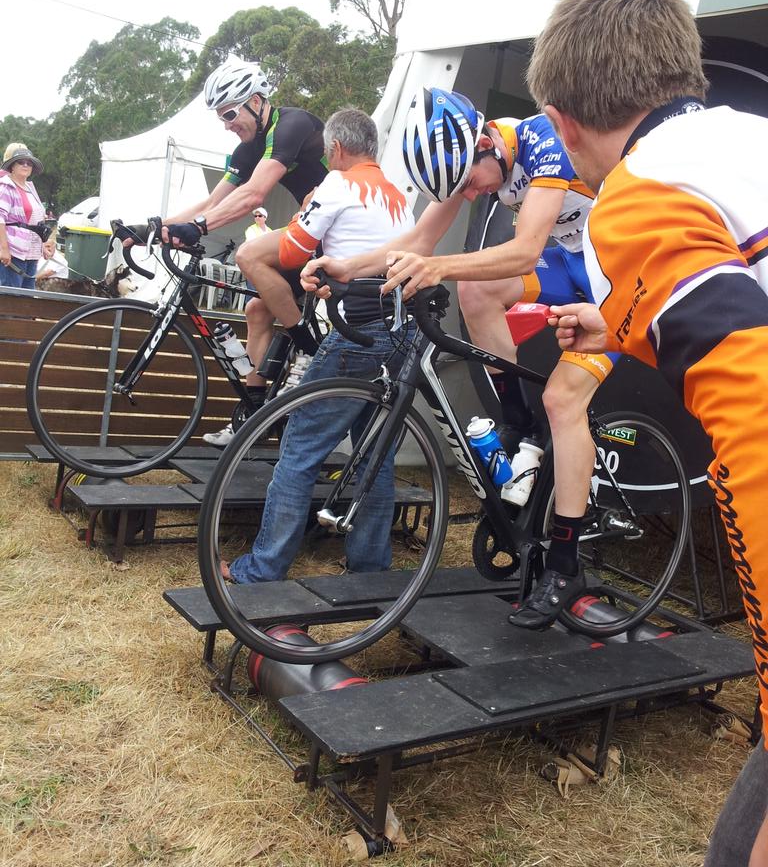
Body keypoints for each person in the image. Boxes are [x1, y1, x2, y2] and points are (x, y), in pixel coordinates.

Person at [524, 0, 768, 867]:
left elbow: (758, 409)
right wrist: (621, 324)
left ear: (563, 124)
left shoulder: (636, 192)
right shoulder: (746, 141)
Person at [303, 88, 619, 625]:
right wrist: (344, 265)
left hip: (612, 274)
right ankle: (520, 425)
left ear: (488, 143)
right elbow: (421, 238)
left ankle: (565, 565)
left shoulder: (543, 140)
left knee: (564, 400)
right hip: (571, 263)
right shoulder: (464, 159)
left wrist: (443, 268)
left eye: (472, 183)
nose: (470, 196)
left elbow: (524, 249)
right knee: (478, 294)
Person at [224, 107, 414, 582]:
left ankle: (263, 568)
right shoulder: (398, 197)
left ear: (336, 149)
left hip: (357, 334)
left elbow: (291, 252)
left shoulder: (336, 184)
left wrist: (308, 216)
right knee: (375, 454)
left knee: (300, 447)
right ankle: (370, 567)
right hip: (402, 333)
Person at [157, 59, 328, 446]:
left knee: (249, 254)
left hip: (336, 226)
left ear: (255, 101)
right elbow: (213, 200)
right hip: (312, 227)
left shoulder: (291, 124)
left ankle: (308, 352)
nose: (227, 124)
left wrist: (198, 228)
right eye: (221, 118)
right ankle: (251, 416)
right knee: (256, 310)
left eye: (230, 113)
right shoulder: (247, 148)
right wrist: (157, 226)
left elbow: (253, 194)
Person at [0, 143, 54, 289]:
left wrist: (43, 245)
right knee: (12, 297)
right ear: (12, 166)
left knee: (27, 298)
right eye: (21, 162)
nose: (25, 165)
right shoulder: (5, 186)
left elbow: (36, 221)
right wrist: (3, 249)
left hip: (31, 252)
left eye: (29, 163)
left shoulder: (30, 187)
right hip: (13, 251)